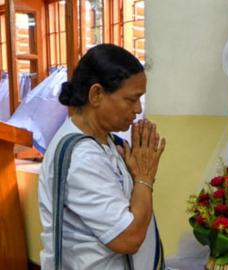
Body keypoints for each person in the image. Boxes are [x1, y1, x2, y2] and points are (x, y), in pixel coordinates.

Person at [38, 44, 166, 269]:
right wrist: (144, 178)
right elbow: (129, 238)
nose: (137, 109)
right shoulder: (82, 158)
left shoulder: (107, 143)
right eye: (131, 99)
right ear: (97, 94)